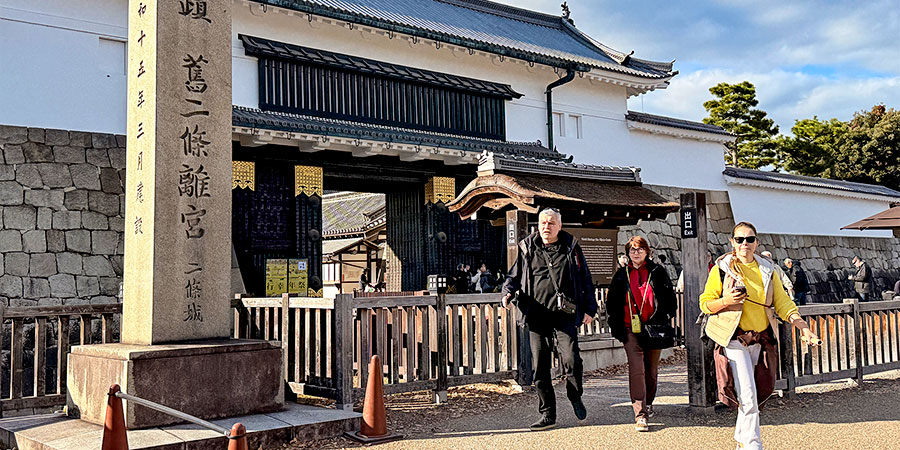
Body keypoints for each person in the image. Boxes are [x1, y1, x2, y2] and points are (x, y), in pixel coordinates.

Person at [700, 222, 819, 450]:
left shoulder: (768, 269)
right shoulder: (722, 269)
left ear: (757, 242)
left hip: (760, 338)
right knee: (746, 390)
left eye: (750, 239)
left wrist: (803, 327)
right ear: (732, 242)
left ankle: (741, 438)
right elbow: (705, 303)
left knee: (758, 389)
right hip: (733, 338)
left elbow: (783, 303)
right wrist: (727, 301)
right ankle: (754, 444)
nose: (745, 244)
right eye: (740, 239)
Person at [502, 208, 598, 431]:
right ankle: (547, 413)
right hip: (537, 315)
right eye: (543, 223)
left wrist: (590, 309)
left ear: (559, 226)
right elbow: (513, 276)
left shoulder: (571, 248)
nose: (546, 226)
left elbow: (585, 279)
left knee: (572, 359)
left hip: (564, 314)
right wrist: (507, 292)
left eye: (551, 223)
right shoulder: (527, 248)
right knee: (540, 366)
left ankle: (575, 395)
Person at [606, 236, 677, 432]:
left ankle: (649, 401)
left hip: (654, 327)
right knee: (636, 369)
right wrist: (616, 326)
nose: (635, 252)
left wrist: (666, 315)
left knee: (651, 370)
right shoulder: (621, 275)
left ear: (647, 251)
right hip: (630, 329)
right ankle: (640, 413)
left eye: (639, 249)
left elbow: (670, 298)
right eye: (632, 249)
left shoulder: (657, 272)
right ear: (627, 253)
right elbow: (611, 304)